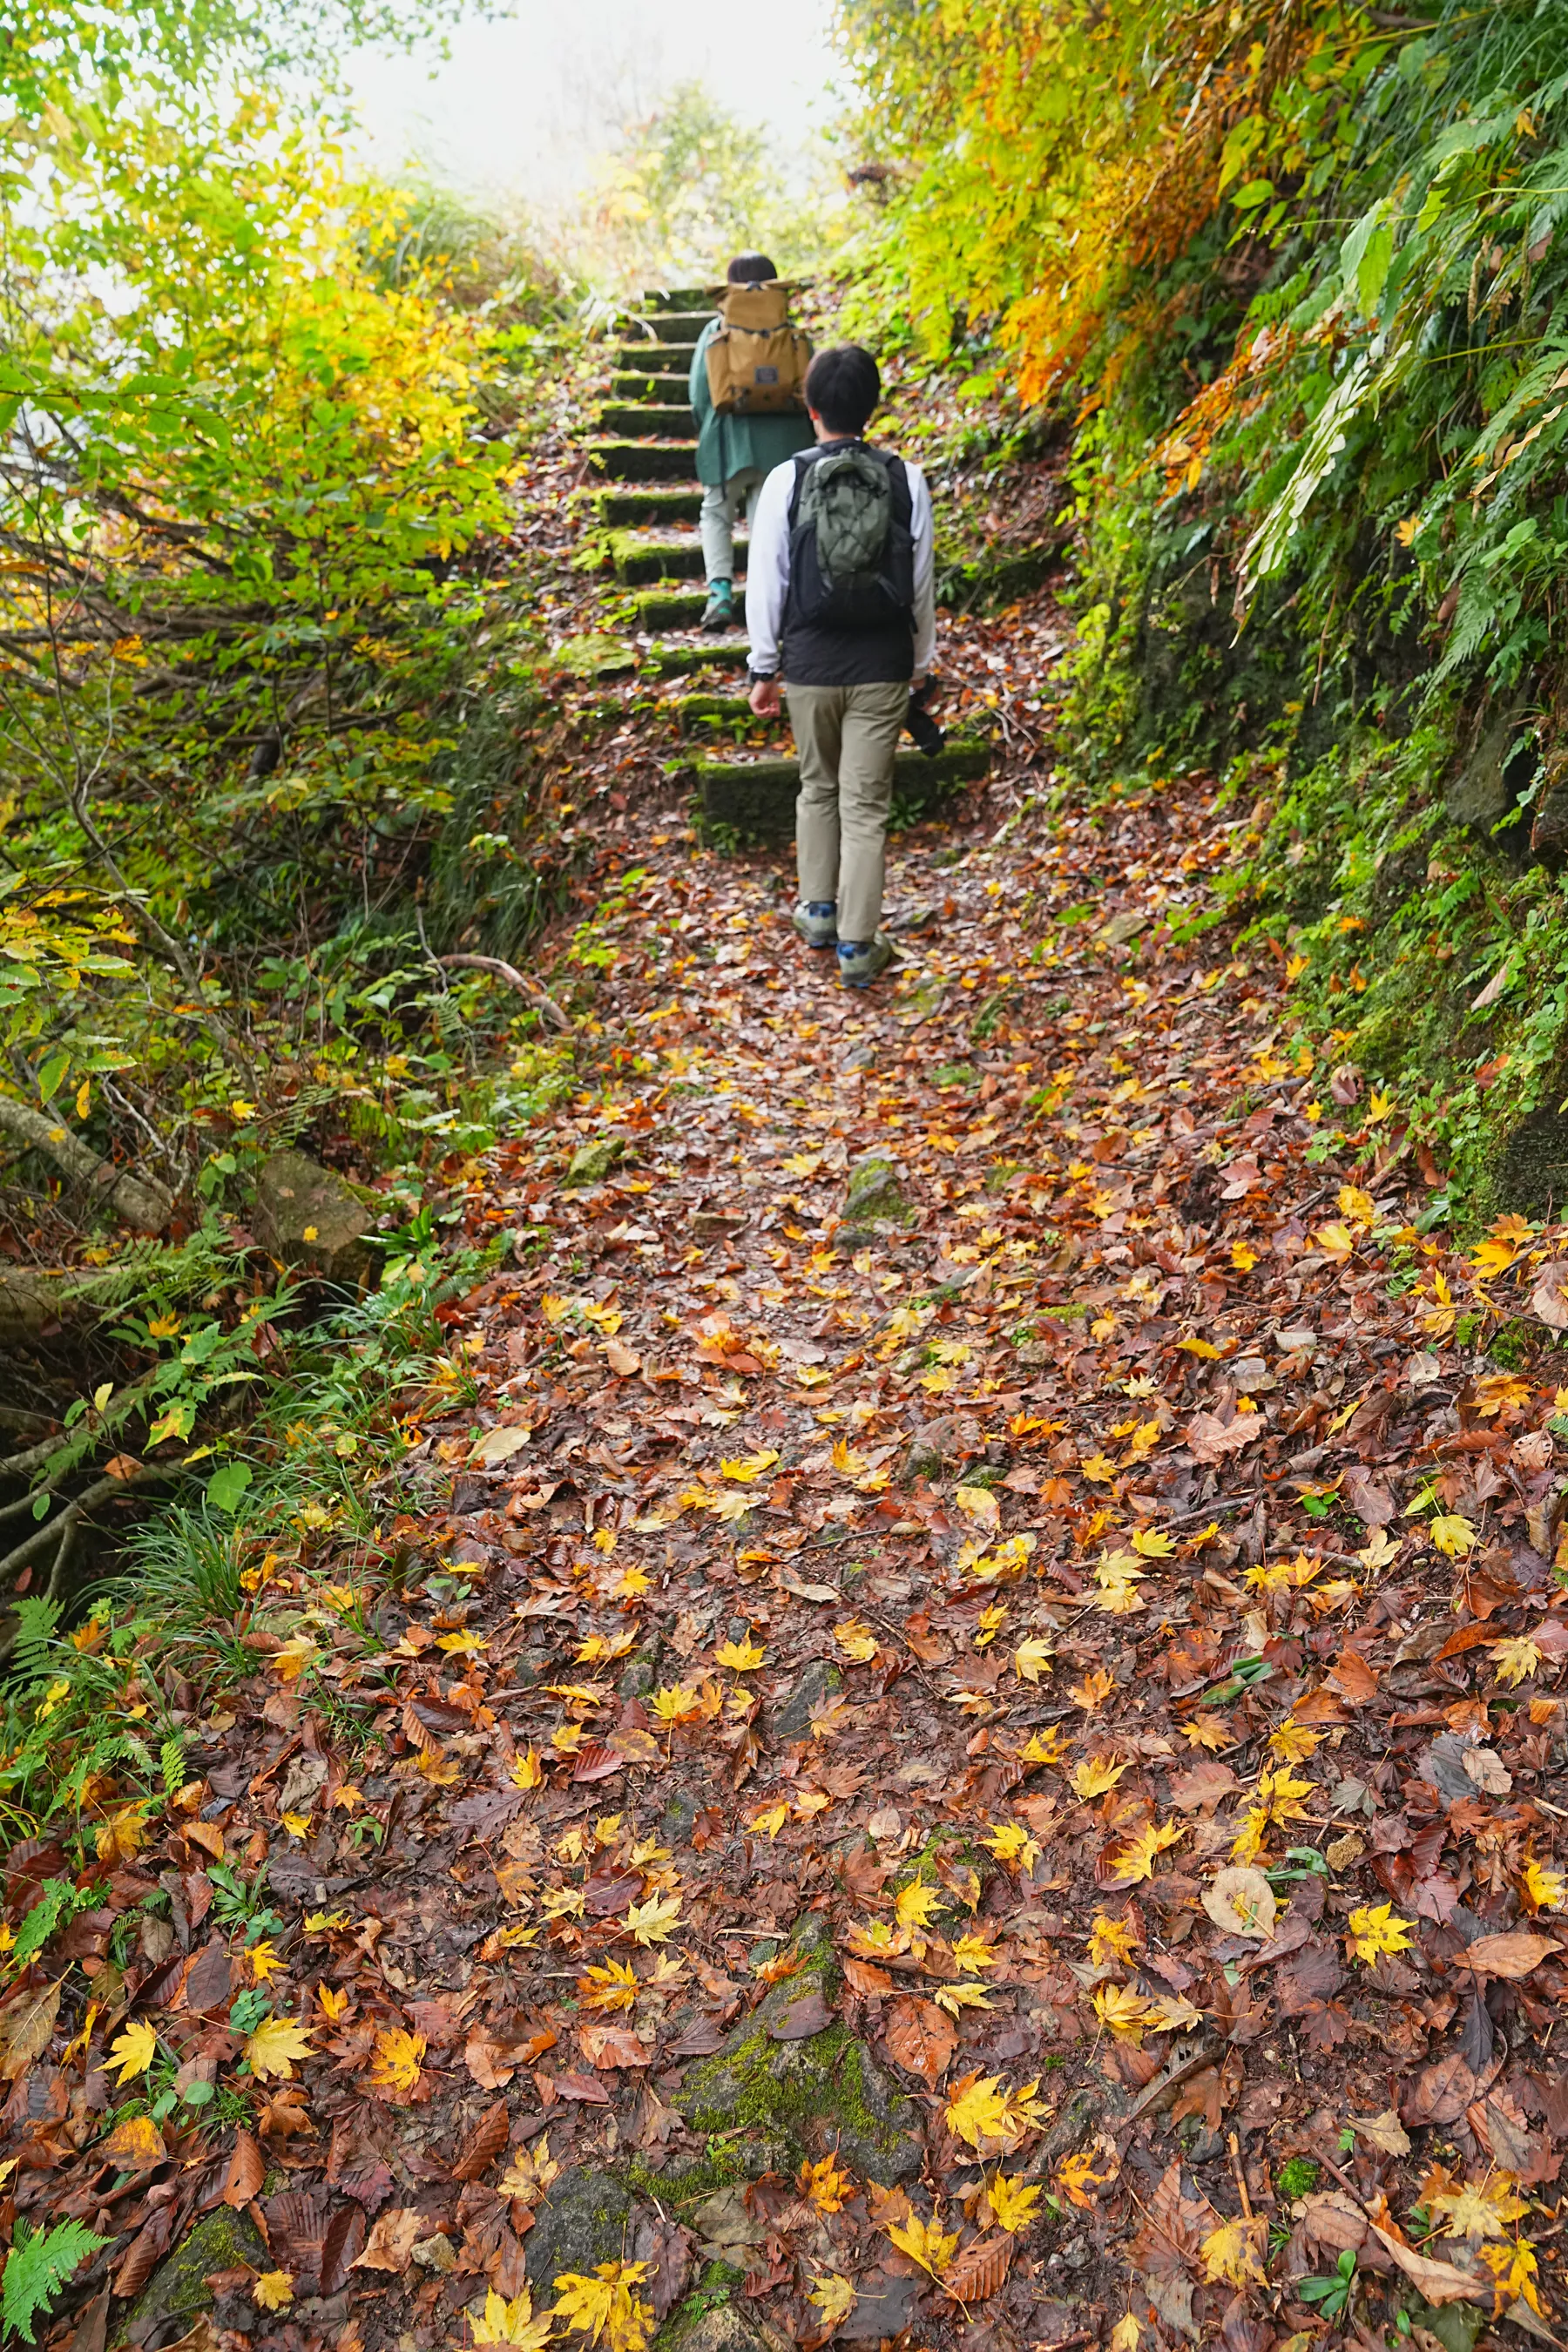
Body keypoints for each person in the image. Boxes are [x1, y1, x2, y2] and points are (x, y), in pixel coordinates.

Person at [745, 344, 936, 989]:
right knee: (866, 806)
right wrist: (920, 667)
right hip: (882, 664)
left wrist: (763, 667)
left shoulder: (785, 480)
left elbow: (766, 581)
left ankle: (818, 912)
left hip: (811, 665)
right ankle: (858, 947)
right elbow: (921, 581)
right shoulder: (905, 478)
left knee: (816, 787)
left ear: (812, 408)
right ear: (872, 406)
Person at [689, 255, 816, 634]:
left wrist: (706, 431)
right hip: (782, 447)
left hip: (727, 444)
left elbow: (699, 394)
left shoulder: (716, 331)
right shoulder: (789, 333)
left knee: (716, 513)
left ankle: (720, 594)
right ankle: (767, 604)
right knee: (765, 527)